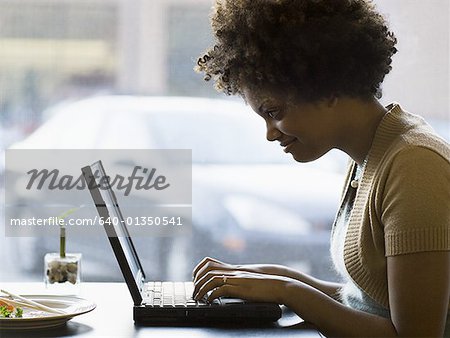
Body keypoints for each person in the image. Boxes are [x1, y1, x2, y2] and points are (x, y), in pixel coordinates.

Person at [192, 0, 450, 336]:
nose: (270, 134)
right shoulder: (372, 153)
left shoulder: (414, 165)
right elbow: (368, 301)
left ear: (327, 87)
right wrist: (270, 278)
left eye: (274, 112)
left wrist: (287, 292)